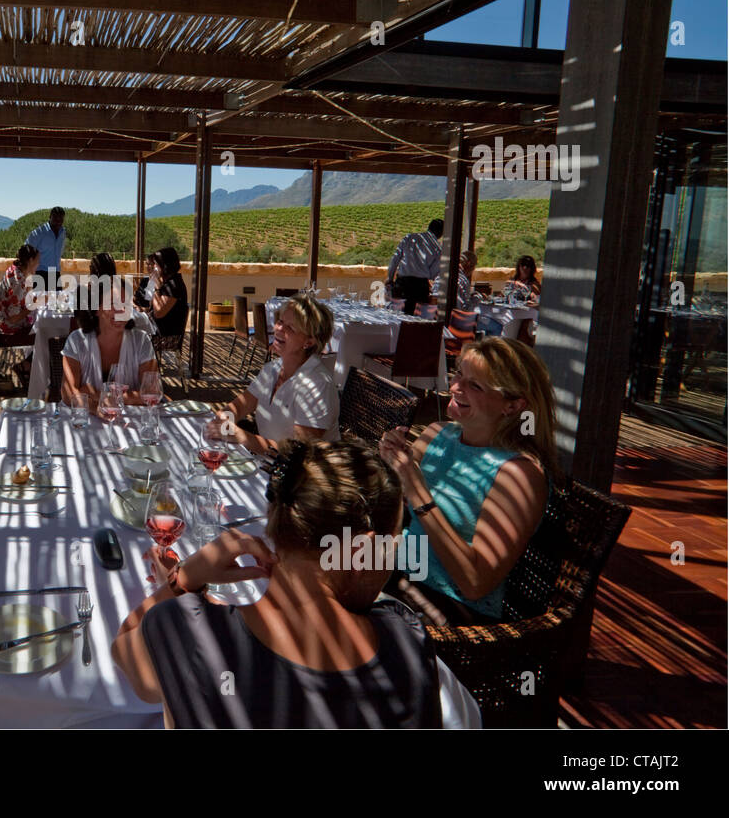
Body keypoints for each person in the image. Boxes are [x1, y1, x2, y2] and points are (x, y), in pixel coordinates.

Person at [111, 439, 481, 728]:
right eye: (397, 537)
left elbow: (123, 652)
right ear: (363, 548)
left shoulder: (184, 632)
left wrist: (185, 579)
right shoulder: (408, 643)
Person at [378, 337, 556, 626]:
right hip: (397, 574)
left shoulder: (518, 475)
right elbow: (395, 512)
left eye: (476, 386)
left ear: (512, 406)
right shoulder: (436, 434)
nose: (456, 387)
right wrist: (389, 468)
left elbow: (474, 583)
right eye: (459, 373)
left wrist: (418, 491)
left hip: (448, 607)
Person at [210, 294, 339, 452]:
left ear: (309, 342)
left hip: (300, 473)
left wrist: (240, 435)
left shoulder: (317, 384)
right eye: (280, 321)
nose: (278, 329)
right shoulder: (272, 369)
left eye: (290, 328)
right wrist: (222, 419)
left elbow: (299, 452)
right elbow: (239, 407)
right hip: (267, 462)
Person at [61, 275, 155, 410]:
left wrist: (97, 395)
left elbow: (151, 392)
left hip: (128, 425)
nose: (122, 310)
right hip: (85, 424)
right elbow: (68, 393)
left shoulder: (141, 341)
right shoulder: (77, 341)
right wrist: (97, 409)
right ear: (97, 309)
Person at [387, 219, 444, 315]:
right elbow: (432, 274)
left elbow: (395, 260)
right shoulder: (438, 248)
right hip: (420, 287)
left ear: (429, 228)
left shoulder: (409, 237)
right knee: (416, 318)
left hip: (402, 284)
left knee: (397, 315)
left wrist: (390, 278)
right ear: (441, 233)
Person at [134, 247, 188, 339]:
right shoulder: (167, 282)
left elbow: (158, 313)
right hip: (156, 328)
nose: (153, 267)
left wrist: (157, 287)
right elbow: (151, 307)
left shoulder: (174, 285)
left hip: (164, 336)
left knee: (126, 329)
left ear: (165, 264)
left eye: (156, 264)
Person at [0, 244, 40, 335]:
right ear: (31, 261)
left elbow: (25, 297)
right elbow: (14, 318)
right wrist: (33, 306)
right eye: (37, 261)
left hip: (3, 319)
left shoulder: (15, 270)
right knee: (43, 329)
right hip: (9, 326)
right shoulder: (18, 282)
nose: (38, 264)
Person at [26, 206, 67, 288]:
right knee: (40, 300)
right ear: (50, 217)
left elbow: (60, 250)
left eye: (60, 219)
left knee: (56, 300)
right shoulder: (39, 232)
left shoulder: (63, 232)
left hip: (55, 272)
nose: (58, 221)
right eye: (55, 218)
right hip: (40, 272)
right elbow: (26, 249)